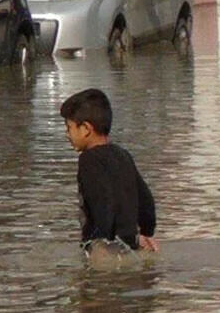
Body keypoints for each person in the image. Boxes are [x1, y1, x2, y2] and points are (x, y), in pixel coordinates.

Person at [60, 88, 160, 263]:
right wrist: (145, 234)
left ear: (85, 128)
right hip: (130, 244)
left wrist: (101, 241)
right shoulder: (123, 154)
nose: (67, 135)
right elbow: (146, 200)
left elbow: (103, 202)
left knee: (92, 287)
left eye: (69, 128)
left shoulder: (87, 160)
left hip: (105, 248)